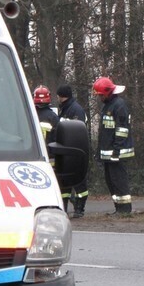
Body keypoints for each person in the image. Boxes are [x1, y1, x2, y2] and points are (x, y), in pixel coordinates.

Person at [92, 76, 134, 215]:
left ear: (108, 92)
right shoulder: (108, 105)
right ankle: (118, 208)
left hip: (118, 153)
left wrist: (117, 149)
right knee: (111, 181)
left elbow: (122, 130)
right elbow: (105, 132)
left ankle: (125, 210)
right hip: (110, 153)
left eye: (101, 95)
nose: (100, 97)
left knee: (119, 181)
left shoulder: (119, 105)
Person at [57, 84, 89, 218]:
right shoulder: (66, 108)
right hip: (66, 151)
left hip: (76, 151)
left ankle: (79, 209)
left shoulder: (75, 110)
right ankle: (64, 208)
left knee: (79, 183)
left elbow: (77, 132)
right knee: (65, 183)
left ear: (60, 96)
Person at [33, 85, 59, 165]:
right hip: (50, 159)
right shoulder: (53, 117)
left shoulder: (28, 116)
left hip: (32, 157)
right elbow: (58, 138)